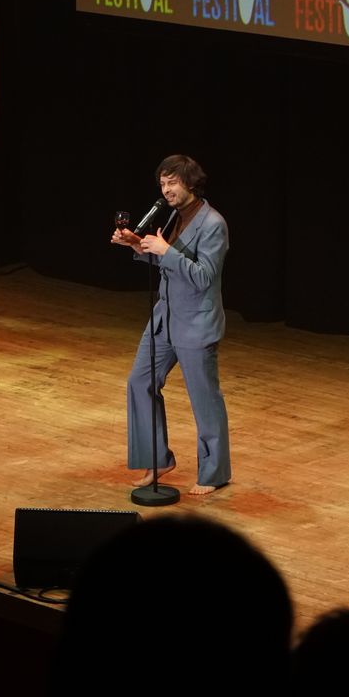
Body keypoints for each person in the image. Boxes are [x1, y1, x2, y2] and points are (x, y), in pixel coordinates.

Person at [110, 154, 230, 494]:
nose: (166, 190)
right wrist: (139, 245)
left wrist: (166, 251)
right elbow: (169, 263)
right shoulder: (176, 215)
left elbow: (204, 277)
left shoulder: (213, 224)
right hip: (165, 318)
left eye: (172, 183)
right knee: (139, 382)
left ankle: (214, 473)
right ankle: (157, 458)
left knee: (204, 399)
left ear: (190, 182)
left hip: (196, 322)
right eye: (162, 184)